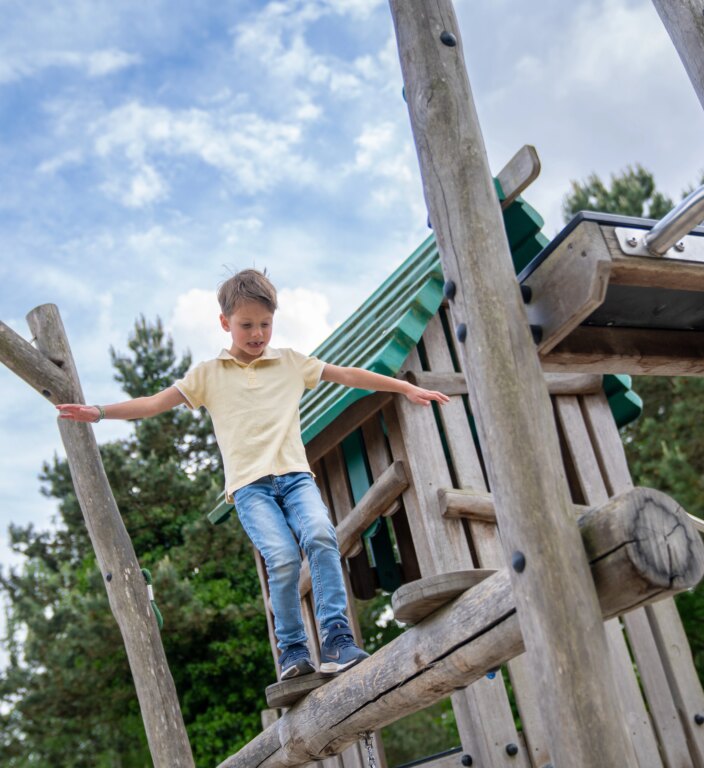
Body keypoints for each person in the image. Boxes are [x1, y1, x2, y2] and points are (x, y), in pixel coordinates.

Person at [57, 269, 449, 681]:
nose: (257, 333)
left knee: (320, 534)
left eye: (265, 323)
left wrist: (403, 388)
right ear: (225, 323)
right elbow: (154, 404)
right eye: (247, 325)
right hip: (249, 489)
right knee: (281, 558)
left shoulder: (291, 363)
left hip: (296, 478)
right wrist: (99, 412)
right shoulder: (207, 375)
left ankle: (336, 638)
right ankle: (294, 650)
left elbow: (349, 375)